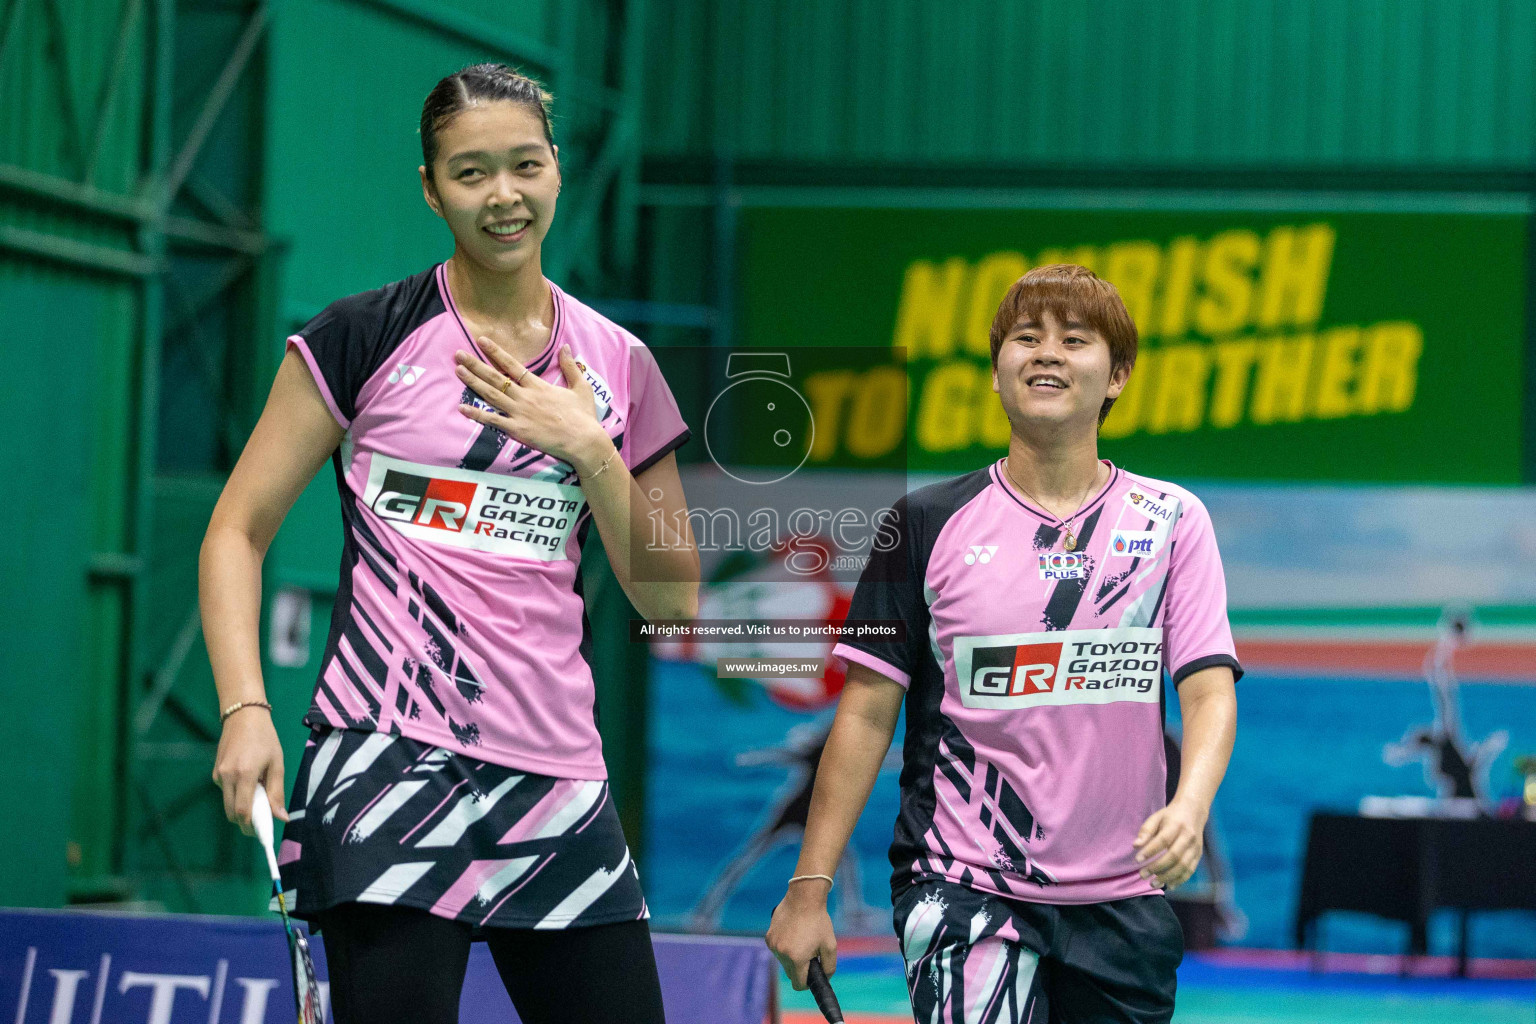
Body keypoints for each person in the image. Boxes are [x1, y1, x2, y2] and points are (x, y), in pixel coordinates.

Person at [201, 63, 697, 1024]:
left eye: (524, 166)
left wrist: (592, 447)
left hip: (556, 773)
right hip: (387, 760)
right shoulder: (363, 337)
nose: (503, 196)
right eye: (471, 174)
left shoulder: (619, 365)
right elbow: (236, 528)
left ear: (557, 170)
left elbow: (673, 598)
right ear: (431, 190)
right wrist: (244, 708)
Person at [766, 265, 1240, 1023]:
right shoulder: (923, 523)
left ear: (1117, 376)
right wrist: (809, 888)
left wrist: (1189, 807)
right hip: (964, 889)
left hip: (1124, 900)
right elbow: (864, 715)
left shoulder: (1173, 522)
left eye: (1074, 340)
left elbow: (1209, 688)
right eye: (1027, 338)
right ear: (996, 373)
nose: (1047, 354)